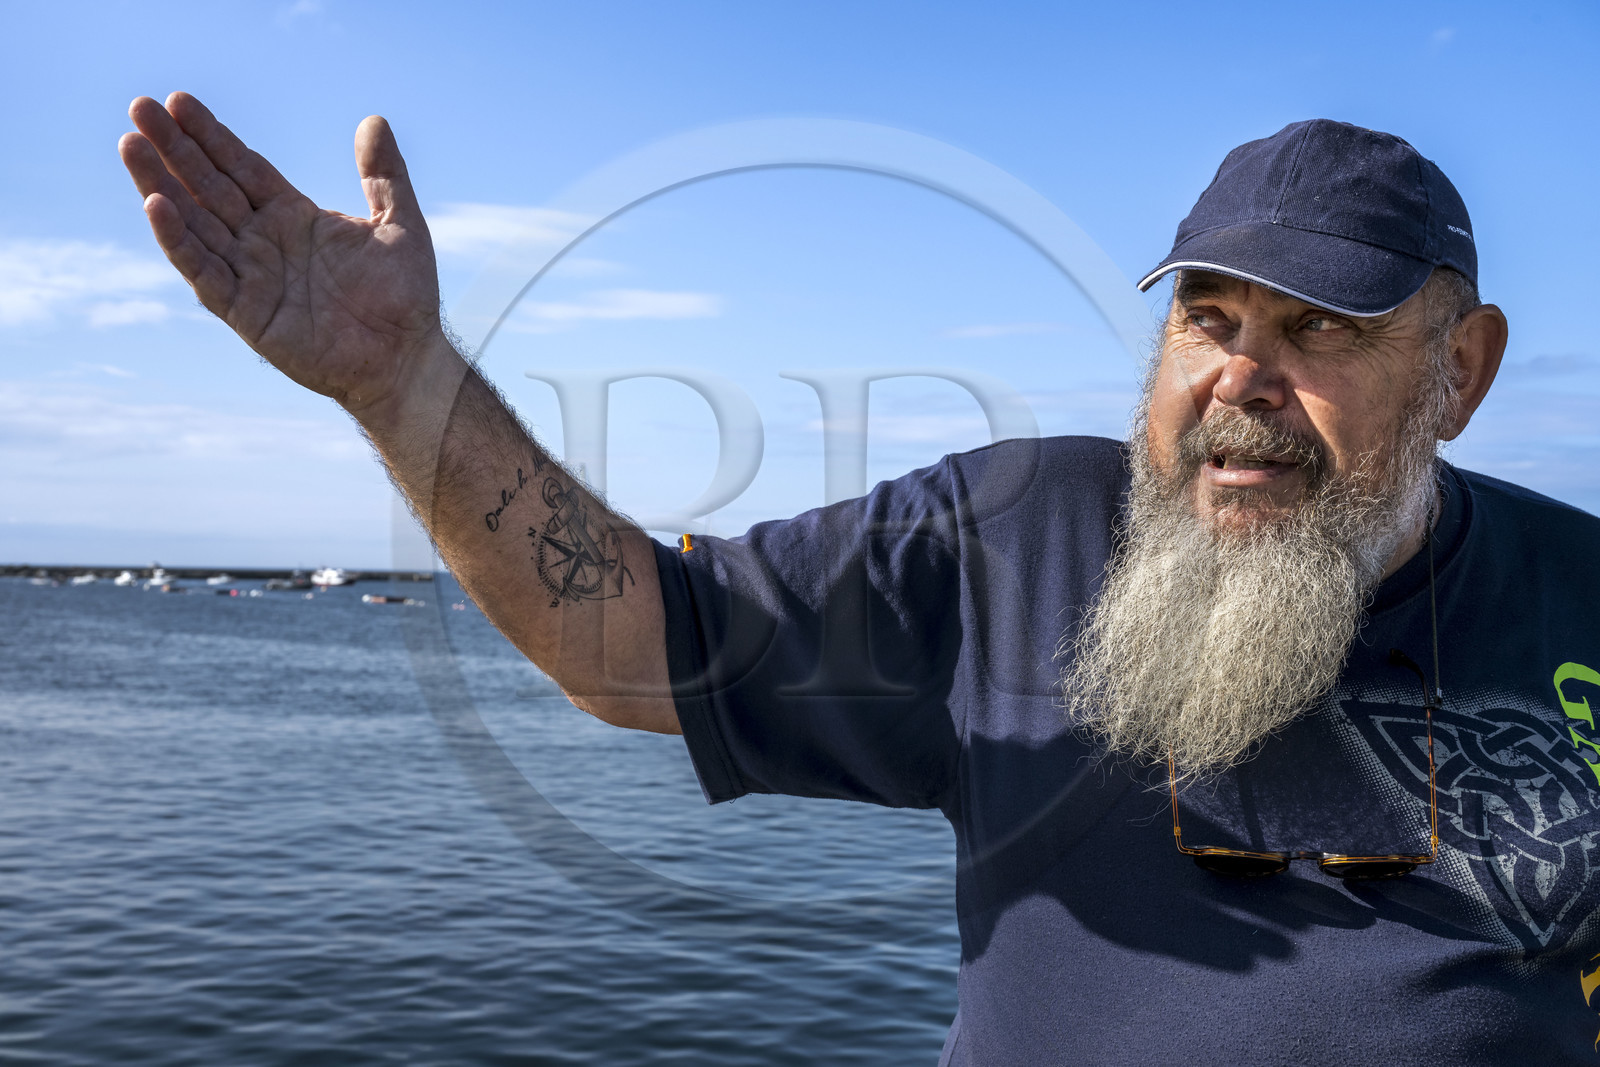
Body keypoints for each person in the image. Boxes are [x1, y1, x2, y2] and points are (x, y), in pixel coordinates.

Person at [121, 97, 1600, 1063]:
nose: (1243, 379)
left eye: (1323, 331)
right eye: (1207, 320)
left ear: (1459, 373)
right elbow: (631, 646)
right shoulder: (1014, 538)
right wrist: (401, 381)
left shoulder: (1576, 589)